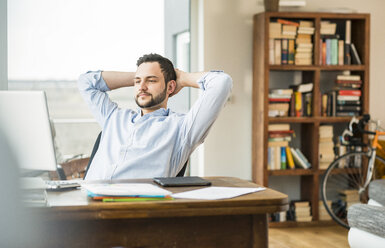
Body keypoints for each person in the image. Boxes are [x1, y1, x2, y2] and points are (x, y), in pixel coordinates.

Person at [78, 53, 232, 180]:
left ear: (170, 86)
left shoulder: (182, 129)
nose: (142, 87)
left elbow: (221, 82)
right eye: (138, 82)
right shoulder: (113, 117)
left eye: (151, 80)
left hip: (131, 209)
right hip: (85, 203)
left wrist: (181, 78)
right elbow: (86, 82)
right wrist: (141, 75)